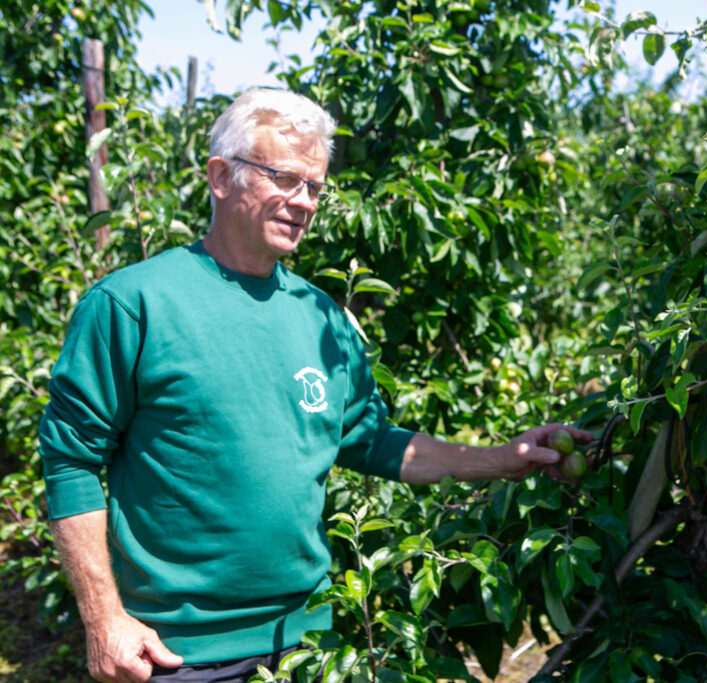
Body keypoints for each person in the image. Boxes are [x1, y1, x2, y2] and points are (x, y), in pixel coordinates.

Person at [39, 88, 590, 683]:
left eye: (315, 188)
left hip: (312, 646)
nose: (303, 202)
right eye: (284, 179)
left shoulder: (321, 318)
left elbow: (372, 441)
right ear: (221, 177)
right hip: (177, 652)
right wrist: (104, 619)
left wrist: (503, 460)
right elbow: (70, 461)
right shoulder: (134, 303)